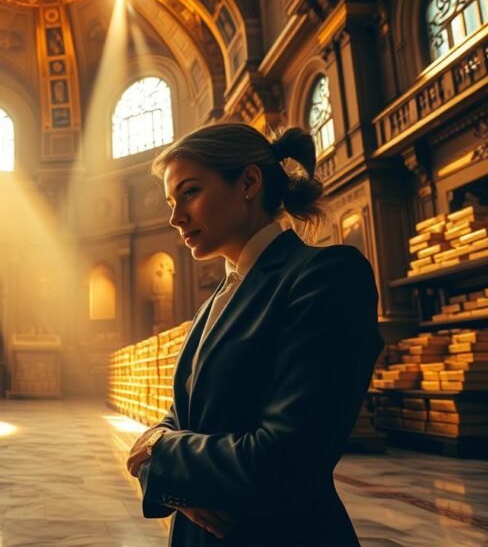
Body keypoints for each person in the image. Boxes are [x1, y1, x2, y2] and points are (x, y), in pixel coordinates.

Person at [125, 123, 383, 546]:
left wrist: (156, 451)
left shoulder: (327, 277)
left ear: (248, 182)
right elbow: (182, 419)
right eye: (172, 202)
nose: (175, 218)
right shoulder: (214, 302)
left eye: (190, 193)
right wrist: (158, 442)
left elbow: (286, 460)